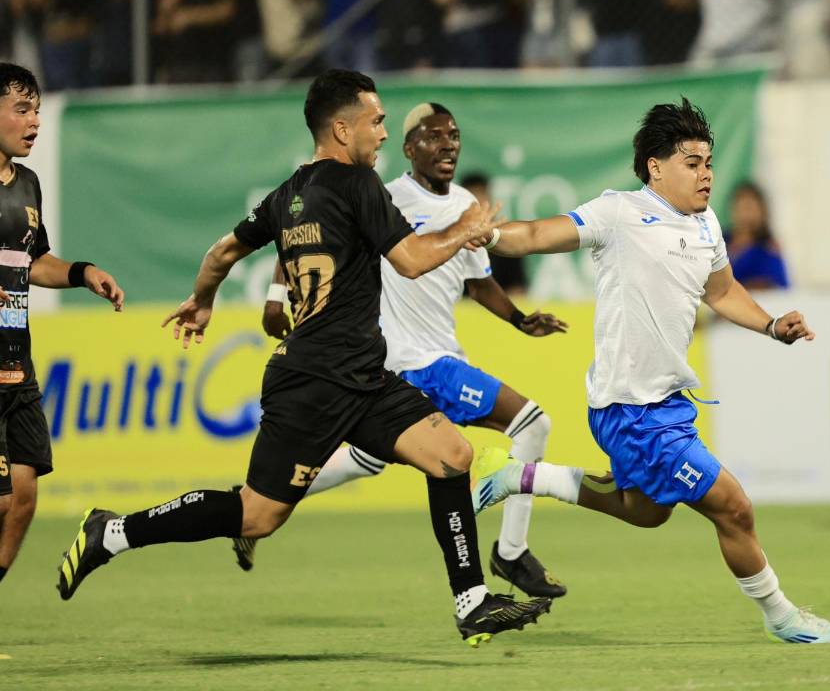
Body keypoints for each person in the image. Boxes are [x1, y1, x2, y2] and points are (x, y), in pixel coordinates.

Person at [54, 70, 551, 646]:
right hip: (313, 379)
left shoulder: (287, 193)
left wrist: (203, 300)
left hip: (363, 372)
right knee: (256, 515)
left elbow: (222, 252)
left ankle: (472, 603)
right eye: (376, 121)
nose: (385, 134)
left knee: (451, 455)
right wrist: (465, 228)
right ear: (342, 129)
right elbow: (411, 260)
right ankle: (112, 532)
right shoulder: (360, 184)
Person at [468, 99, 830, 644]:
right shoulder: (619, 212)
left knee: (646, 512)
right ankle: (783, 617)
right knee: (734, 506)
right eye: (692, 163)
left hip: (667, 404)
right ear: (656, 166)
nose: (706, 175)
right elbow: (534, 235)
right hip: (631, 409)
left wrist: (771, 327)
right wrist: (487, 234)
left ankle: (519, 476)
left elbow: (722, 291)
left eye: (709, 163)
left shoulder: (706, 224)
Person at [249, 102, 568, 599]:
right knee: (533, 423)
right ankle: (509, 554)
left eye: (455, 136)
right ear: (409, 147)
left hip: (423, 362)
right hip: (413, 362)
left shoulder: (465, 206)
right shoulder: (383, 194)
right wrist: (275, 296)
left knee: (364, 459)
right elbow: (303, 235)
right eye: (434, 136)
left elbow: (479, 283)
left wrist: (520, 320)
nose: (448, 145)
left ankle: (250, 510)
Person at [0, 63, 125, 586]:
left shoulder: (26, 184)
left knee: (24, 497)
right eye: (21, 110)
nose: (34, 122)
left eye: (37, 111)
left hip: (15, 361)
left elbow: (35, 259)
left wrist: (81, 273)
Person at [460, 172, 528, 295]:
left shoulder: (507, 238)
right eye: (473, 196)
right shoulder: (450, 240)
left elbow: (518, 289)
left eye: (482, 195)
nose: (478, 202)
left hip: (499, 311)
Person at [725, 181, 788, 290]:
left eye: (750, 208)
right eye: (741, 207)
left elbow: (779, 288)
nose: (745, 215)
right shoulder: (719, 240)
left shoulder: (768, 249)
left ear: (762, 212)